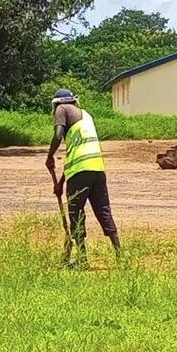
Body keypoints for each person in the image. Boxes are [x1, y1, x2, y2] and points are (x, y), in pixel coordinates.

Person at [44, 88, 121, 267]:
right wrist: (61, 183)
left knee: (76, 213)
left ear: (57, 103)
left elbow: (57, 135)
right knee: (104, 211)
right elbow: (77, 155)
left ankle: (83, 259)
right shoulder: (86, 115)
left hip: (80, 172)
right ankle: (121, 257)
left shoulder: (61, 109)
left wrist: (49, 156)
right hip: (97, 169)